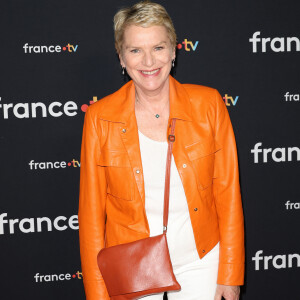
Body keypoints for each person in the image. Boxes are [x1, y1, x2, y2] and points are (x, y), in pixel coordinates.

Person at [78, 1, 244, 300]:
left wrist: (229, 273)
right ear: (121, 57)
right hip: (132, 262)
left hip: (201, 260)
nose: (148, 61)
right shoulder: (100, 117)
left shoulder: (209, 105)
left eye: (158, 47)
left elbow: (228, 195)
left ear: (173, 51)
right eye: (135, 50)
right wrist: (97, 293)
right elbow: (91, 216)